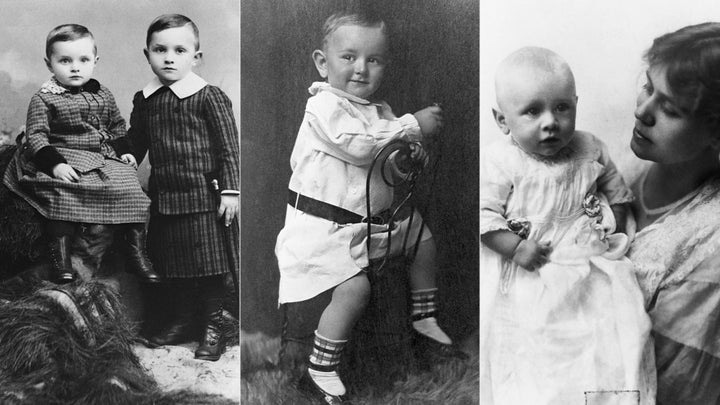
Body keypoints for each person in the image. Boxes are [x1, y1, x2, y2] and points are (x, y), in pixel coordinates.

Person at [274, 11, 461, 404]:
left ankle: (424, 315)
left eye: (373, 60)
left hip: (368, 227)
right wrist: (413, 125)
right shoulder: (323, 107)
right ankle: (322, 365)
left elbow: (384, 165)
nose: (361, 69)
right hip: (321, 231)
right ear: (323, 63)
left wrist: (408, 157)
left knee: (421, 236)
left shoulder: (379, 113)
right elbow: (358, 145)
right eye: (349, 57)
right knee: (354, 288)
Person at [480, 47, 654, 404]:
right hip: (532, 265)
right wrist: (514, 247)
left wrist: (611, 229)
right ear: (502, 121)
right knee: (536, 343)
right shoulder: (501, 161)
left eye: (562, 107)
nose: (550, 121)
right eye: (532, 111)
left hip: (585, 263)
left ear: (575, 103)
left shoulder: (588, 147)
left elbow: (615, 189)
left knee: (601, 333)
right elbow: (483, 214)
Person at [2, 24, 158, 284]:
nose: (75, 67)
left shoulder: (103, 94)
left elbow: (116, 125)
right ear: (50, 64)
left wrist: (125, 151)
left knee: (132, 189)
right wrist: (55, 165)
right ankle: (60, 258)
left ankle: (135, 253)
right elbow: (37, 135)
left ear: (94, 62)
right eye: (65, 60)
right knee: (61, 194)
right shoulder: (44, 98)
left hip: (101, 156)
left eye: (83, 60)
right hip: (62, 152)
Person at [126, 14, 239, 362]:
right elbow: (137, 139)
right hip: (165, 197)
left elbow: (229, 148)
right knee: (172, 264)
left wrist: (231, 192)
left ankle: (213, 325)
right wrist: (129, 154)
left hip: (204, 198)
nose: (169, 57)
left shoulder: (208, 96)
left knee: (209, 266)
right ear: (148, 55)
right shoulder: (146, 99)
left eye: (179, 50)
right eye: (160, 50)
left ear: (196, 57)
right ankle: (184, 318)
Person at [625, 22, 720, 405]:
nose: (643, 112)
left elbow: (678, 387)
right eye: (648, 87)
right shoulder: (627, 167)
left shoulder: (710, 244)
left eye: (670, 109)